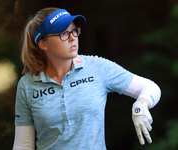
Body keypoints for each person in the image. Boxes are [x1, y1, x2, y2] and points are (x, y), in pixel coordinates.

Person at [12, 7, 161, 150]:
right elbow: (23, 146)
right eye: (63, 34)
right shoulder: (27, 85)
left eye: (74, 31)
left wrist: (141, 104)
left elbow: (150, 87)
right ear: (43, 44)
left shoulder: (97, 67)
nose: (72, 38)